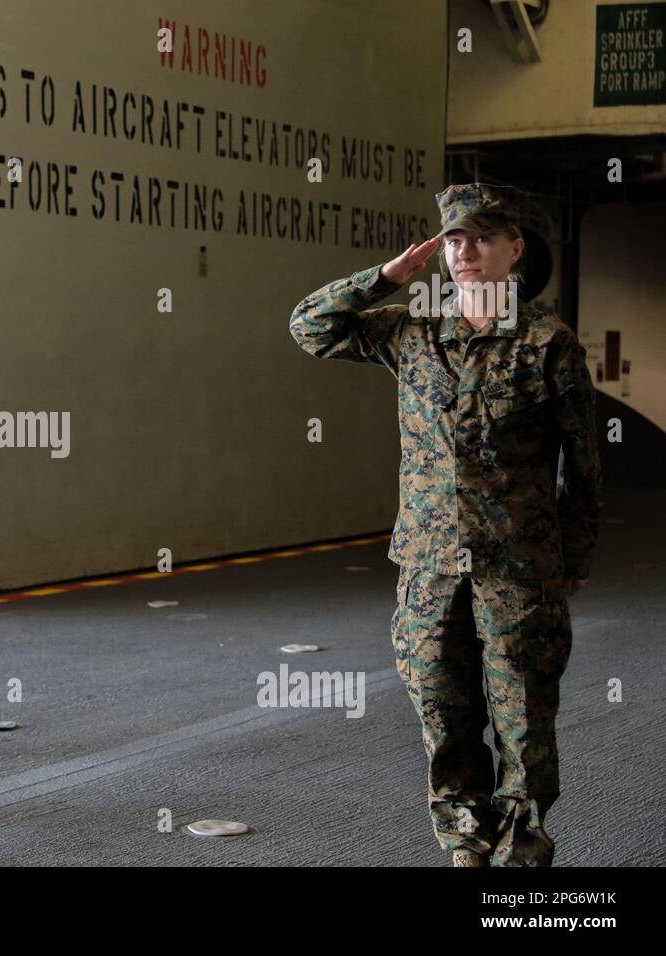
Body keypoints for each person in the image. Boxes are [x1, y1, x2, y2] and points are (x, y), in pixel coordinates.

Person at [288, 182, 601, 867]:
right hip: (429, 567)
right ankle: (464, 840)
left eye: (482, 239)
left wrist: (569, 559)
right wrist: (389, 276)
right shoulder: (411, 333)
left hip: (517, 566)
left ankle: (520, 848)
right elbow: (310, 326)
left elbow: (582, 466)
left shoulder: (547, 344)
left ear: (514, 250)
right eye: (454, 240)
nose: (465, 253)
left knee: (522, 718)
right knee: (442, 710)